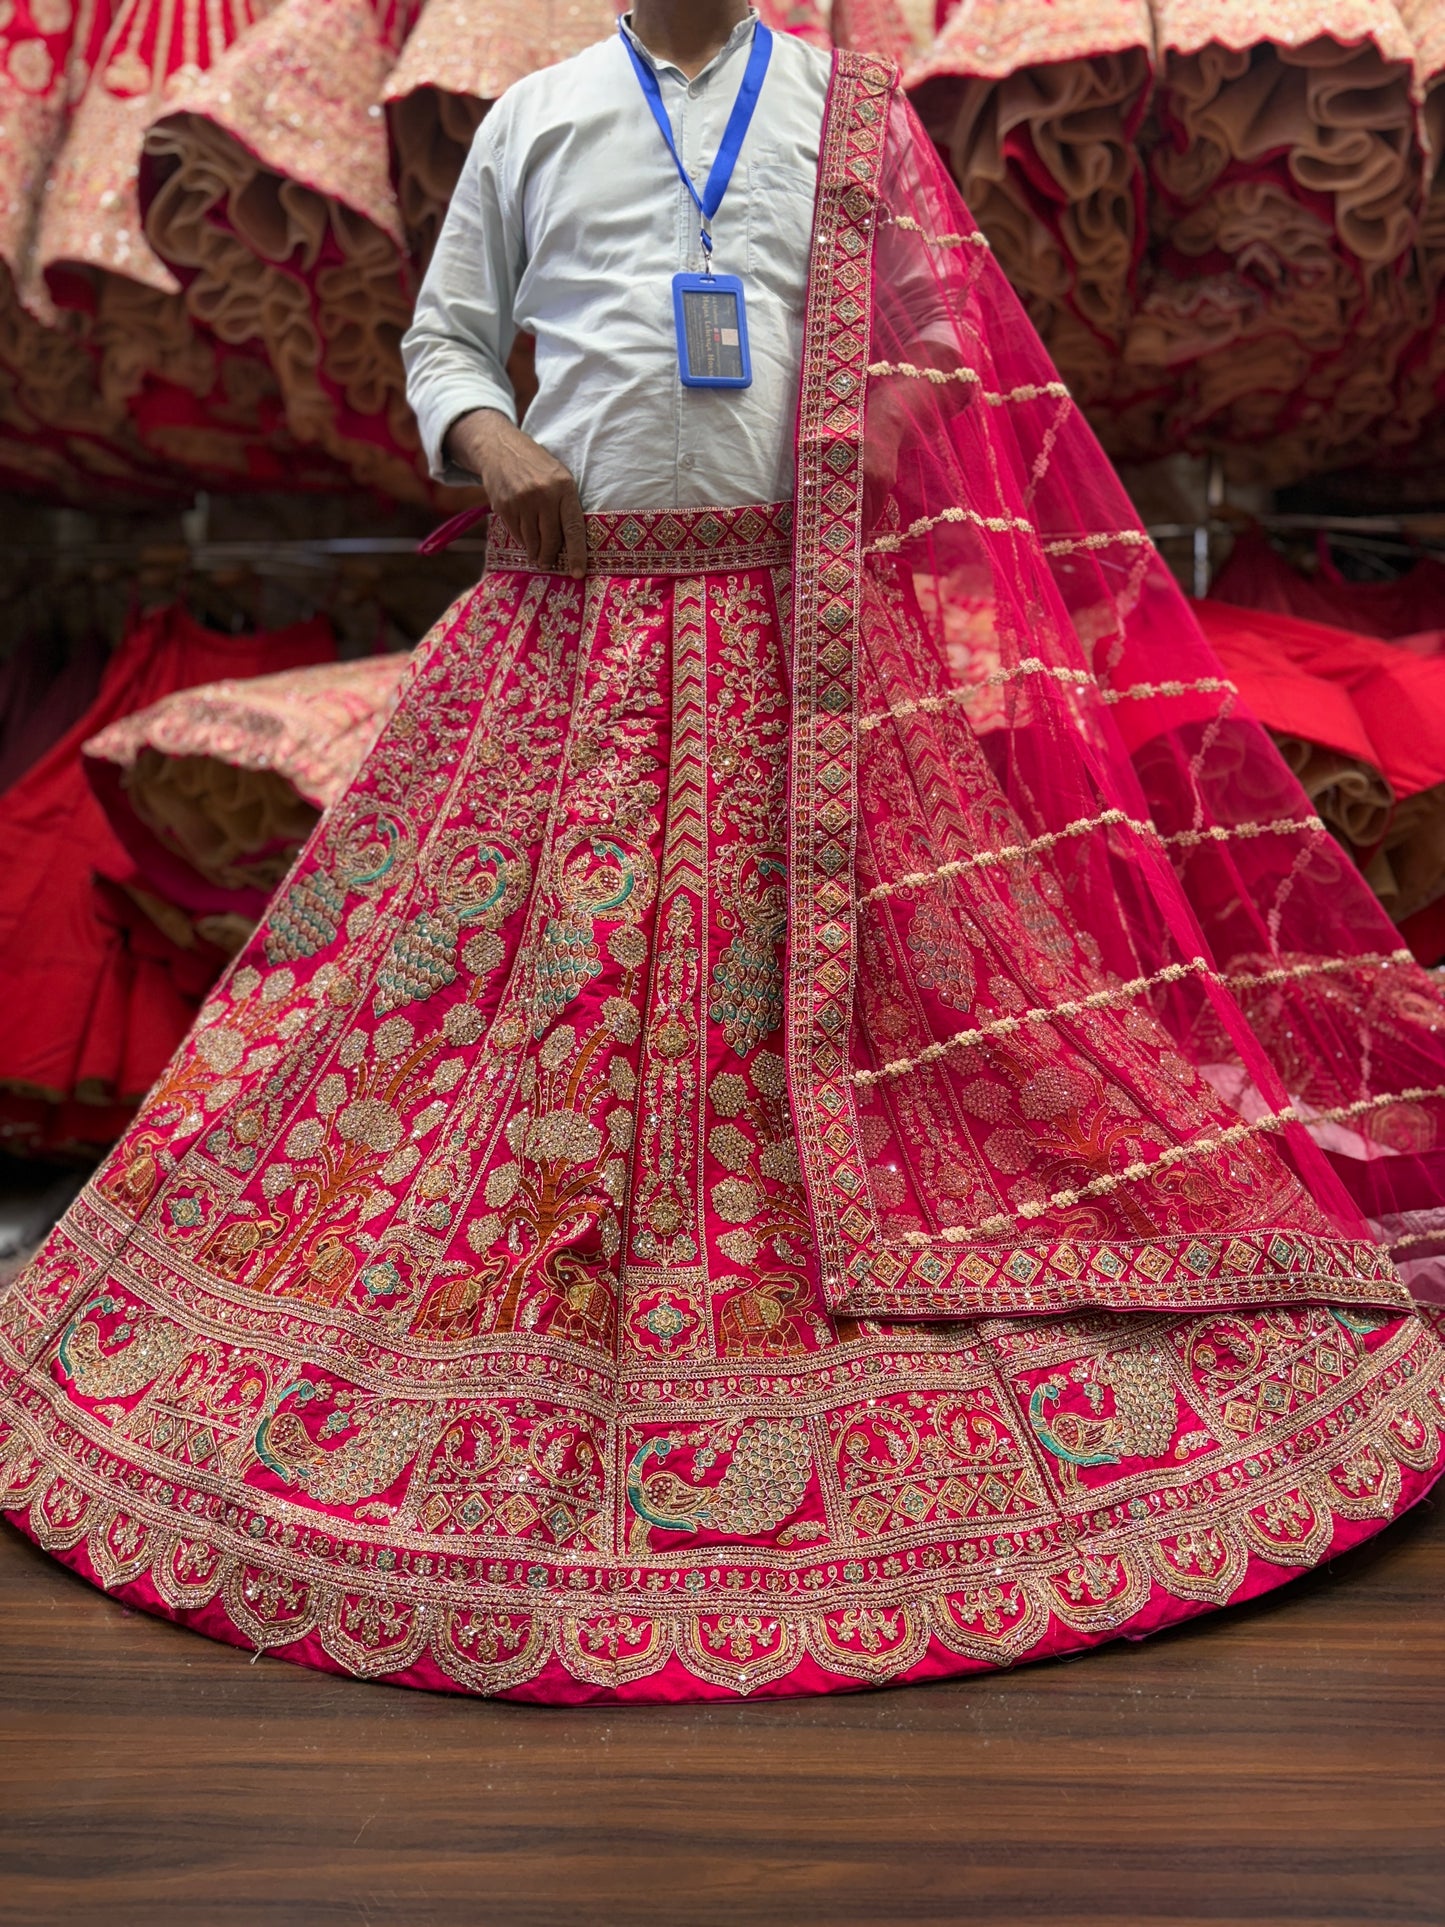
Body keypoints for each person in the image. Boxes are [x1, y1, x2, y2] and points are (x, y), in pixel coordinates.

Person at [2, 3, 1443, 1705]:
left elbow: (951, 367)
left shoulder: (852, 116)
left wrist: (879, 478)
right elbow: (446, 346)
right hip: (575, 630)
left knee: (864, 997)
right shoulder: (536, 118)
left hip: (808, 655)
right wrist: (497, 447)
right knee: (505, 1003)